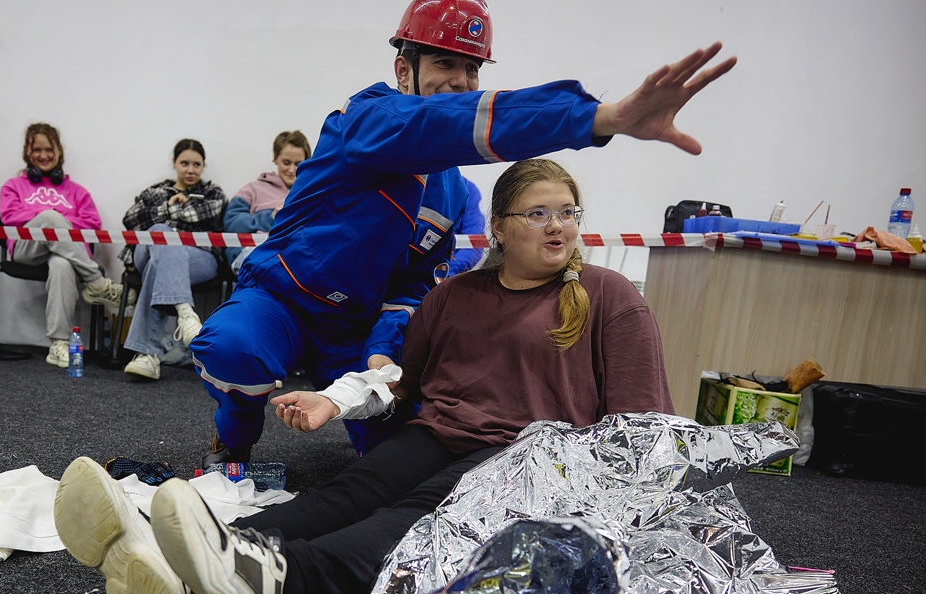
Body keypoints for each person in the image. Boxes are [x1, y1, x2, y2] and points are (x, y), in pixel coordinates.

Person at [54, 158, 675, 594]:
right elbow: (402, 383)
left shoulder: (607, 294)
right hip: (443, 431)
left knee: (412, 517)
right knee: (353, 492)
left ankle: (278, 588)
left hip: (534, 459)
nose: (558, 225)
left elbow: (643, 426)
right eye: (538, 213)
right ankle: (192, 571)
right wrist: (334, 401)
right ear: (498, 229)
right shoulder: (454, 297)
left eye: (568, 211)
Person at [190, 0, 735, 467]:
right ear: (404, 69)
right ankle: (233, 438)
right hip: (282, 300)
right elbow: (440, 123)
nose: (461, 81)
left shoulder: (452, 195)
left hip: (355, 328)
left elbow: (414, 283)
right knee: (236, 351)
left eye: (472, 69)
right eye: (445, 63)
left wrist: (381, 352)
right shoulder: (362, 120)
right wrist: (597, 118)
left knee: (402, 447)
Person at [0, 123, 126, 369]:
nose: (43, 155)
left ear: (59, 152)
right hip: (27, 249)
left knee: (61, 263)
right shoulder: (13, 187)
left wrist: (58, 221)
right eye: (37, 149)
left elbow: (92, 225)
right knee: (48, 217)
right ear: (27, 151)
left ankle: (58, 343)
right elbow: (10, 217)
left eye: (49, 149)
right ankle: (96, 283)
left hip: (67, 253)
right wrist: (51, 215)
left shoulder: (77, 192)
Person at [119, 138, 227, 381]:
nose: (190, 170)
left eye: (196, 164)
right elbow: (131, 220)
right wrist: (166, 208)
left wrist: (168, 217)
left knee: (163, 257)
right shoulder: (155, 192)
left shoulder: (213, 193)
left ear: (203, 166)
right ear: (174, 163)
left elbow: (209, 211)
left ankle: (147, 356)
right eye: (185, 163)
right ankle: (186, 313)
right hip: (145, 252)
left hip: (199, 258)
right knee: (161, 231)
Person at [221, 130, 312, 274]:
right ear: (275, 158)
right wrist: (270, 217)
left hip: (295, 256)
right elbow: (231, 223)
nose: (291, 169)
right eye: (286, 162)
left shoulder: (310, 195)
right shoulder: (253, 189)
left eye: (298, 164)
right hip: (254, 253)